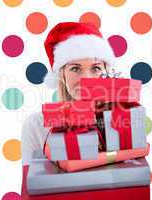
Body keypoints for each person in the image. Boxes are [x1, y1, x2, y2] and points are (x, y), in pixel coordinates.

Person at [21, 22, 119, 167]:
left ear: (106, 72)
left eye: (96, 68)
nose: (86, 78)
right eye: (75, 68)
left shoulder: (122, 119)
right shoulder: (36, 125)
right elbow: (30, 183)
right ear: (62, 75)